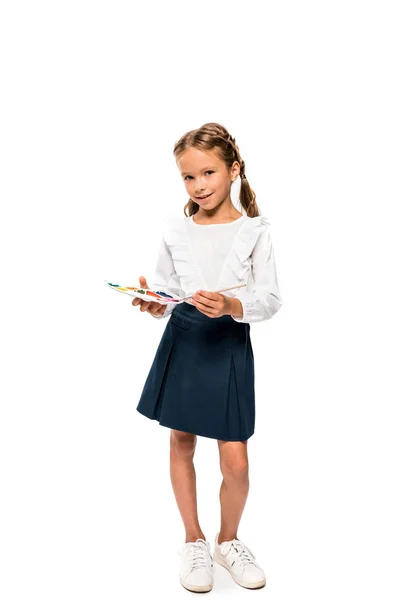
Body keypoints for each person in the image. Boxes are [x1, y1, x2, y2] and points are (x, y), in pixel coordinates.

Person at [132, 122, 283, 593]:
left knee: (235, 460)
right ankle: (193, 541)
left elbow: (271, 298)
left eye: (208, 173)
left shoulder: (254, 230)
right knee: (181, 441)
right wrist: (156, 303)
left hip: (227, 347)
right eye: (188, 177)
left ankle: (228, 541)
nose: (199, 186)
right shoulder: (176, 229)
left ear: (233, 170)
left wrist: (233, 306)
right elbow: (169, 291)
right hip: (184, 342)